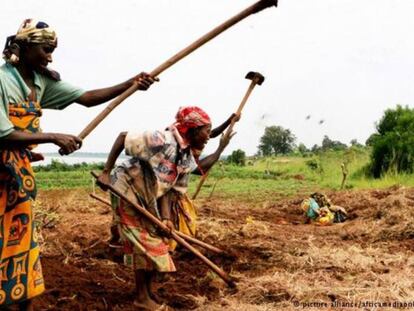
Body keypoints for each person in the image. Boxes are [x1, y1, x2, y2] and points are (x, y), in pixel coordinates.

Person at [0, 19, 156, 310]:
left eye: (52, 50)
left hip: (16, 176)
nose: (50, 56)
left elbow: (85, 98)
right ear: (23, 47)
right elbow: (3, 133)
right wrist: (52, 136)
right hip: (1, 173)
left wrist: (131, 84)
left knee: (17, 237)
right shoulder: (1, 80)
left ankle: (15, 297)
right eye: (46, 49)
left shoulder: (40, 81)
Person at [97, 106, 234, 310]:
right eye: (207, 131)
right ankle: (141, 298)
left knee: (159, 236)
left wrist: (167, 219)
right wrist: (106, 172)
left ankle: (148, 292)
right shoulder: (162, 140)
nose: (209, 136)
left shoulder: (185, 156)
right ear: (192, 130)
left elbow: (170, 190)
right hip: (126, 188)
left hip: (148, 195)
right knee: (144, 241)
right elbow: (123, 137)